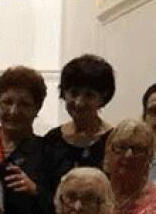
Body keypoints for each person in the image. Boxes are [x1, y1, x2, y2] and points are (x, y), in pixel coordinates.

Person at [41, 54, 115, 189]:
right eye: (74, 93)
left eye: (89, 95)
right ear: (64, 93)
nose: (79, 102)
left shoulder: (114, 141)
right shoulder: (52, 140)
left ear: (103, 98)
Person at [0, 66, 51, 197]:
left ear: (37, 108)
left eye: (24, 104)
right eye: (7, 102)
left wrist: (35, 190)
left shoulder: (47, 152)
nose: (14, 111)